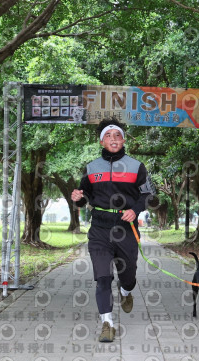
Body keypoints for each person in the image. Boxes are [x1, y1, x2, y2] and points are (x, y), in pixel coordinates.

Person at [71, 118, 155, 343]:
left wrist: (135, 210)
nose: (113, 139)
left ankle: (126, 292)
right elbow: (85, 196)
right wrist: (78, 197)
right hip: (99, 230)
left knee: (128, 276)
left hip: (126, 229)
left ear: (124, 140)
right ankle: (107, 324)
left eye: (117, 135)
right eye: (108, 136)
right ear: (102, 142)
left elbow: (148, 194)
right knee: (103, 277)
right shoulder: (91, 168)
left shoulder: (136, 166)